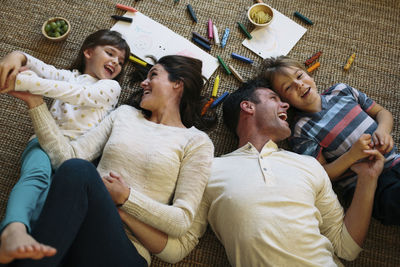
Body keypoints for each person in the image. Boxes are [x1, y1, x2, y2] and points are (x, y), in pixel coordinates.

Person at [121, 78, 384, 266]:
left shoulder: (309, 165)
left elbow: (346, 248)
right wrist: (122, 208)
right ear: (248, 106)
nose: (285, 107)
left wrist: (367, 179)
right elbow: (179, 247)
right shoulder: (209, 168)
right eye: (274, 99)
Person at [5, 55, 216, 266]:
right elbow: (67, 160)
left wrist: (126, 198)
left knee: (81, 171)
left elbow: (181, 220)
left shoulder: (196, 142)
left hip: (124, 251)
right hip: (74, 228)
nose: (144, 83)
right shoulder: (124, 115)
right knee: (76, 169)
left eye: (153, 75)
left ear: (177, 84)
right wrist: (36, 103)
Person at [0, 29, 131, 264]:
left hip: (75, 160)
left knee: (53, 200)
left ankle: (30, 243)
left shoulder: (111, 89)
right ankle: (14, 230)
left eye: (120, 62)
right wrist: (18, 56)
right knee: (36, 177)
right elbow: (43, 68)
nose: (115, 62)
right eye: (110, 53)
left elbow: (78, 95)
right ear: (88, 52)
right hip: (41, 143)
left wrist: (26, 82)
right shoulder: (69, 75)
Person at [258, 55, 400, 225]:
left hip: (395, 161)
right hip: (370, 189)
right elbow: (322, 174)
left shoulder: (342, 91)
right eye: (288, 87)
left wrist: (383, 130)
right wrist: (352, 156)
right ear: (284, 102)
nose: (299, 84)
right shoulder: (301, 130)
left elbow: (382, 113)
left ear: (309, 75)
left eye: (299, 76)